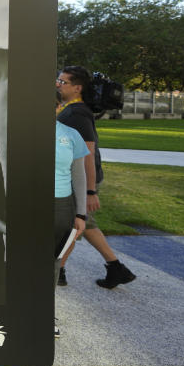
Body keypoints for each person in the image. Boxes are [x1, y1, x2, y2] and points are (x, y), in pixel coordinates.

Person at [55, 65, 135, 290]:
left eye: (63, 82)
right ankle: (115, 267)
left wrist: (90, 191)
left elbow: (87, 154)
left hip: (82, 178)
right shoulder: (72, 109)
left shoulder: (77, 112)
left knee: (76, 224)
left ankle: (60, 269)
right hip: (75, 178)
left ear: (77, 88)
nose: (57, 84)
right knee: (83, 224)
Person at [53, 91, 88, 337]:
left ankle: (44, 313)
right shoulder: (16, 131)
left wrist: (82, 214)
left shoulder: (70, 135)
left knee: (53, 261)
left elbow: (79, 177)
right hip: (26, 204)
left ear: (59, 107)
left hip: (61, 206)